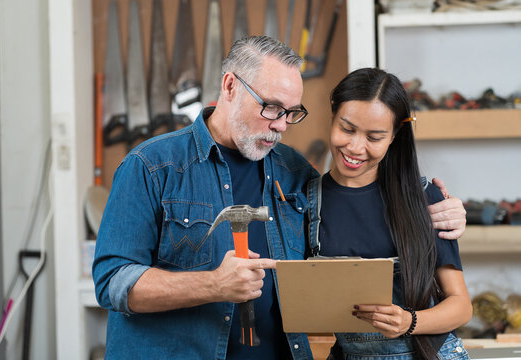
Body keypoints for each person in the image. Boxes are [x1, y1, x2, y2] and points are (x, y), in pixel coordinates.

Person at [92, 36, 466, 359]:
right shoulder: (152, 166)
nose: (281, 125)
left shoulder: (294, 173)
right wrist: (213, 285)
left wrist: (442, 210)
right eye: (271, 107)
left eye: (291, 113)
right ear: (229, 86)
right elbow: (113, 283)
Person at [306, 67, 472, 360]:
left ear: (394, 136)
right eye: (347, 129)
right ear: (332, 116)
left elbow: (461, 306)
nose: (356, 147)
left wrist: (410, 322)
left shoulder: (424, 198)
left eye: (375, 137)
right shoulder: (308, 200)